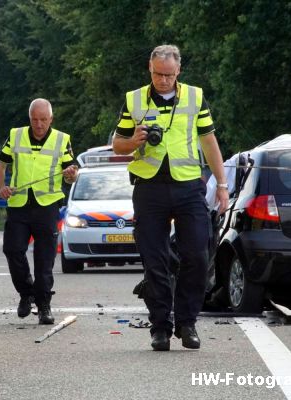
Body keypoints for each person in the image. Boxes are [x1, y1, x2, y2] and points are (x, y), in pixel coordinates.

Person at [112, 44, 229, 351]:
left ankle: (187, 323)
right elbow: (117, 144)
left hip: (188, 185)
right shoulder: (134, 99)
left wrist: (222, 184)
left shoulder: (194, 96)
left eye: (168, 74)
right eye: (157, 74)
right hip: (149, 187)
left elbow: (208, 139)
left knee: (197, 255)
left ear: (179, 71)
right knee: (155, 260)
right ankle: (160, 326)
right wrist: (133, 140)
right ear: (149, 70)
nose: (162, 80)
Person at [0, 98, 78, 325]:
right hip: (19, 205)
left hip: (47, 206)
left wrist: (71, 174)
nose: (39, 124)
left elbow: (71, 173)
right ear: (29, 118)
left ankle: (44, 306)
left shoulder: (62, 139)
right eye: (35, 119)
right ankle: (26, 292)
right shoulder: (15, 135)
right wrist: (1, 187)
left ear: (51, 119)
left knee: (45, 259)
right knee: (12, 250)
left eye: (43, 120)